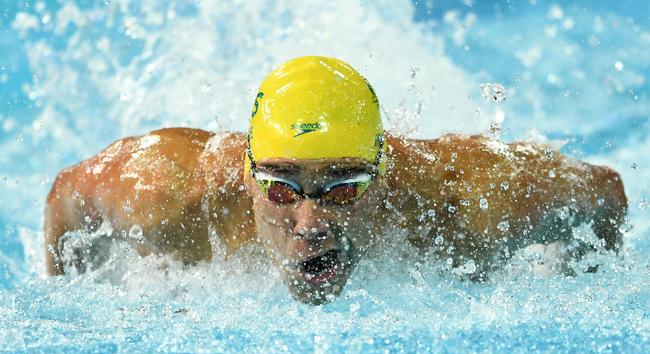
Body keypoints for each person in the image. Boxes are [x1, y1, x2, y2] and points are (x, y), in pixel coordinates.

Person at [44, 56, 628, 304]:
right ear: (247, 177)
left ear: (384, 175)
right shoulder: (165, 197)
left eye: (344, 189)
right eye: (281, 189)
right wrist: (67, 297)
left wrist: (579, 278)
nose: (310, 224)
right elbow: (64, 199)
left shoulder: (466, 204)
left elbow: (605, 192)